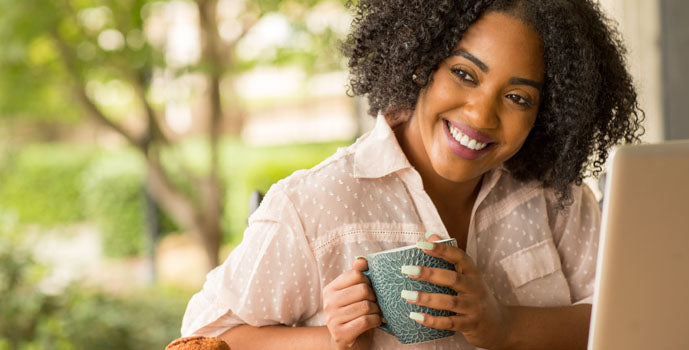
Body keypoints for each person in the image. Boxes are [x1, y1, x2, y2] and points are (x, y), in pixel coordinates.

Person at [180, 0, 644, 349]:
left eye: (518, 97)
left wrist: (505, 325)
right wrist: (329, 339)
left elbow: (633, 318)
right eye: (465, 73)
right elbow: (205, 337)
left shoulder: (553, 197)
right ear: (423, 62)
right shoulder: (314, 205)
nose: (481, 115)